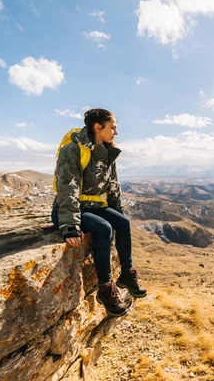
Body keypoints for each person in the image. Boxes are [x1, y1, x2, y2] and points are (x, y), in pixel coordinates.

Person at [51, 108, 146, 317]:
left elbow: (113, 186)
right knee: (103, 228)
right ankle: (105, 289)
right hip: (69, 209)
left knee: (123, 223)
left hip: (94, 207)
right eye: (112, 127)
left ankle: (127, 275)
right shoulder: (73, 150)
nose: (116, 133)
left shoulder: (107, 151)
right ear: (97, 127)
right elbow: (68, 186)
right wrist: (69, 225)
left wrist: (117, 212)